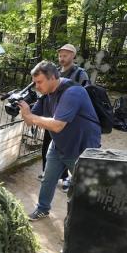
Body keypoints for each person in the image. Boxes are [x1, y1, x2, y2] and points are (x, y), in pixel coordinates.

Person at [19, 61, 101, 221]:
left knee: (83, 187)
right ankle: (42, 209)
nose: (36, 86)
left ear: (53, 78)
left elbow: (57, 126)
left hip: (81, 148)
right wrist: (23, 109)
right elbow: (30, 121)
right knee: (48, 178)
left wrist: (31, 117)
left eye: (39, 82)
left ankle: (80, 222)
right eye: (34, 82)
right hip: (59, 144)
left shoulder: (73, 92)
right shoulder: (47, 94)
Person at [39, 44, 91, 192]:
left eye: (65, 55)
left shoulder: (80, 74)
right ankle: (49, 173)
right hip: (52, 116)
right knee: (49, 145)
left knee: (71, 150)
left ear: (73, 56)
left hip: (70, 120)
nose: (62, 58)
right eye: (60, 55)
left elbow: (85, 94)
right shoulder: (54, 72)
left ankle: (69, 178)